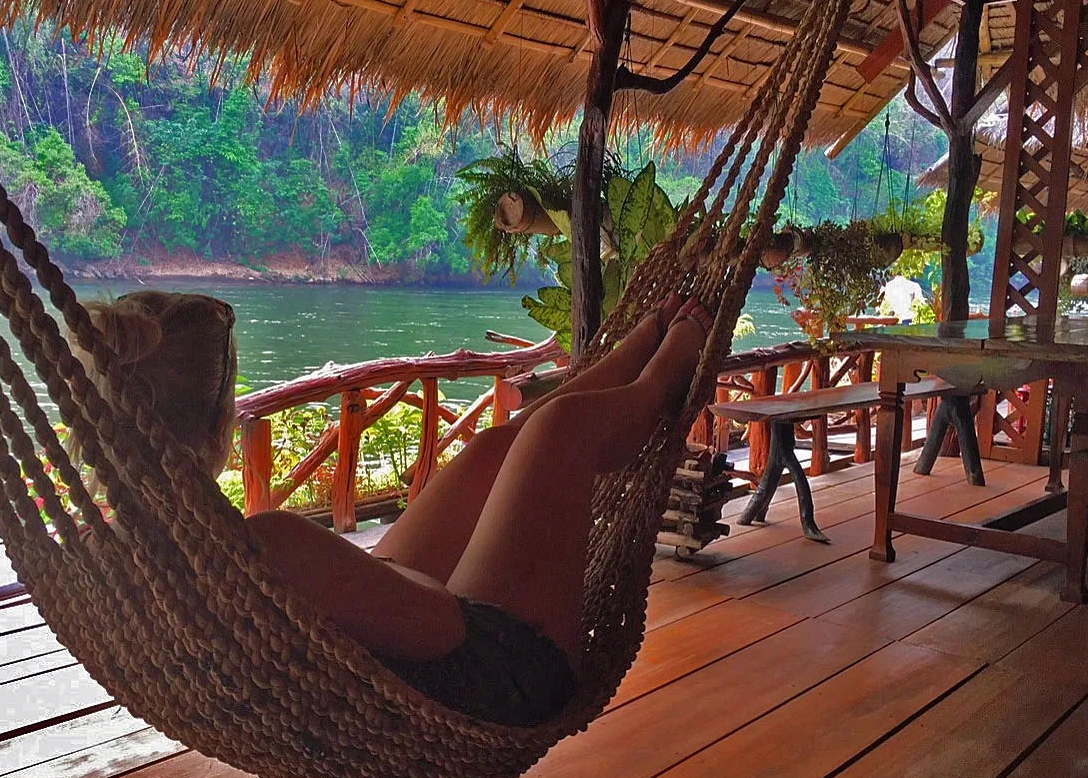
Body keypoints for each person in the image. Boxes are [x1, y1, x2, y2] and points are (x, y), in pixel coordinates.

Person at [74, 289, 713, 728]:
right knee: (559, 433)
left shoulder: (108, 560)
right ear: (222, 429)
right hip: (496, 682)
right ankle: (664, 377)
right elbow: (443, 628)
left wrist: (381, 580)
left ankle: (632, 358)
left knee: (496, 448)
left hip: (399, 657)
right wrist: (396, 580)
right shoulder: (268, 547)